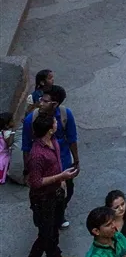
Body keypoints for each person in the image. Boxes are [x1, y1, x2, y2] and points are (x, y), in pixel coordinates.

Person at [22, 107, 78, 257]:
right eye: (54, 122)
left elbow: (58, 162)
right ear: (50, 129)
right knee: (44, 234)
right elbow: (35, 182)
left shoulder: (53, 141)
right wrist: (60, 177)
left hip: (56, 194)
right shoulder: (37, 155)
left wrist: (60, 181)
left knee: (53, 229)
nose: (57, 122)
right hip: (43, 199)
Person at [44, 86, 79, 226]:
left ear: (55, 104)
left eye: (45, 100)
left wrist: (76, 160)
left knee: (67, 190)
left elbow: (72, 138)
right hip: (44, 164)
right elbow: (27, 145)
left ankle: (59, 213)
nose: (40, 102)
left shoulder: (65, 114)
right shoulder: (33, 117)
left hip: (63, 162)